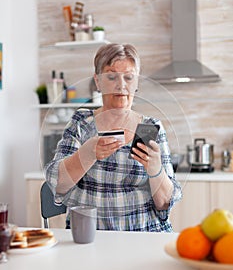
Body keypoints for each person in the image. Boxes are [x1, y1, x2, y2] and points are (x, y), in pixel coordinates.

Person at [45, 43, 182, 231]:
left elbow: (165, 203)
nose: (121, 85)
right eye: (111, 76)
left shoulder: (149, 127)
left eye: (129, 77)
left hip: (145, 234)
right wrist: (86, 155)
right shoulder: (81, 124)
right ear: (98, 82)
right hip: (91, 236)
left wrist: (156, 170)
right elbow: (57, 185)